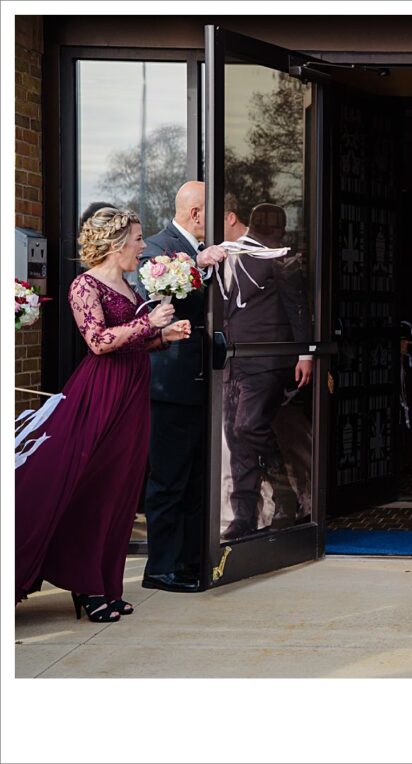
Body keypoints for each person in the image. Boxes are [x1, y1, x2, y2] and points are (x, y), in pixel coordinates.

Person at [15, 207, 191, 619]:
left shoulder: (128, 285)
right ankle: (87, 585)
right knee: (94, 488)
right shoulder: (84, 285)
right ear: (116, 245)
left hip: (134, 391)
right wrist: (149, 324)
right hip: (102, 393)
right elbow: (97, 341)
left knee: (121, 491)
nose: (143, 246)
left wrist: (163, 335)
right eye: (137, 239)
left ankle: (107, 585)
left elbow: (133, 342)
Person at [131, 181, 227, 593]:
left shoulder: (197, 249)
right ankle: (161, 567)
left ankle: (189, 561)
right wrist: (197, 264)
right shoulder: (156, 249)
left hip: (204, 381)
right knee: (169, 479)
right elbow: (157, 298)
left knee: (195, 480)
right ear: (195, 213)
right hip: (170, 385)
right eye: (212, 210)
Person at [221, 203, 313, 540]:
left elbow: (296, 305)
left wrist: (305, 352)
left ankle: (281, 486)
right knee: (235, 436)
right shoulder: (219, 256)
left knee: (248, 426)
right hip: (231, 359)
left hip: (267, 358)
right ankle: (245, 516)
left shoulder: (275, 255)